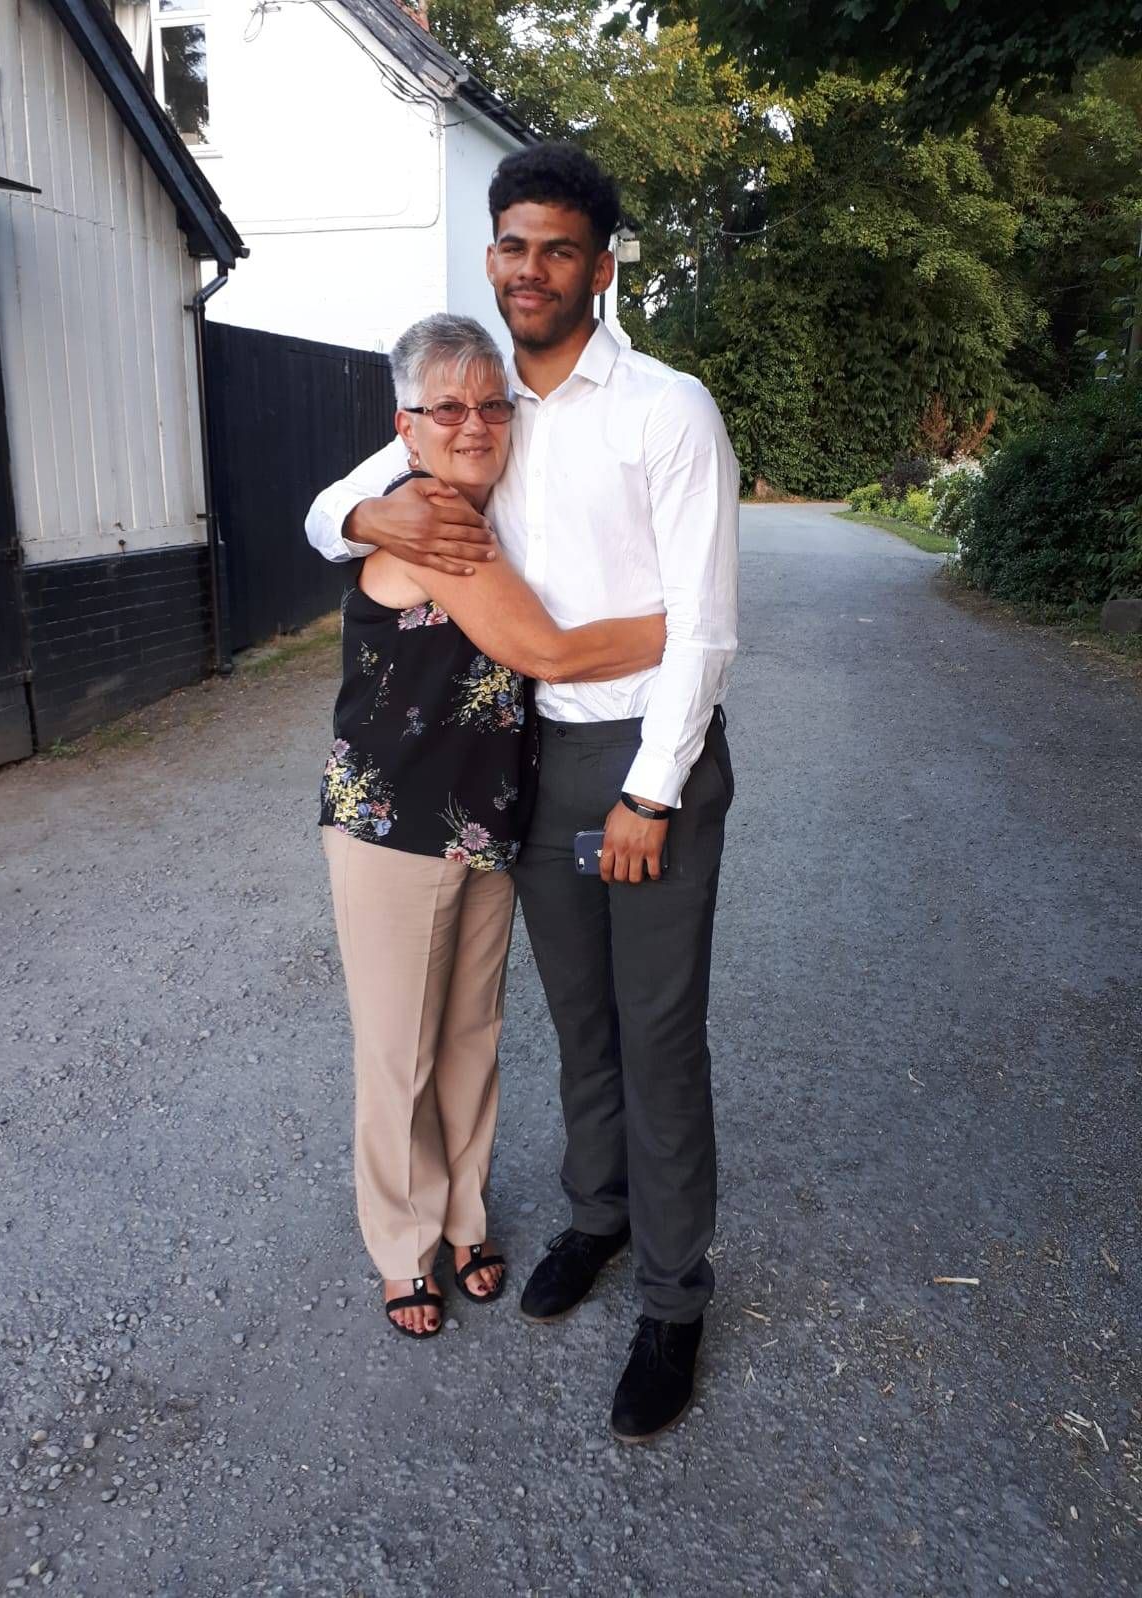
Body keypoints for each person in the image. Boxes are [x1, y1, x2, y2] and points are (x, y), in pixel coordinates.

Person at [307, 143, 739, 1440]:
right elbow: (344, 497)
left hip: (639, 765)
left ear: (602, 267)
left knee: (658, 1042)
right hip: (530, 772)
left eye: (559, 248)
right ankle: (599, 1221)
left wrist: (651, 796)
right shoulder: (483, 400)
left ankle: (674, 1298)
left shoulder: (666, 408)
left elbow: (706, 631)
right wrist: (366, 519)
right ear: (491, 257)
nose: (531, 268)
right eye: (513, 244)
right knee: (580, 1026)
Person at [318, 311, 667, 1340]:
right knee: (399, 1050)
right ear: (408, 426)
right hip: (391, 827)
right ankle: (401, 1241)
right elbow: (546, 650)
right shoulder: (426, 518)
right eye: (447, 408)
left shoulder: (489, 498)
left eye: (489, 404)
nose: (472, 423)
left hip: (485, 824)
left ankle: (464, 1213)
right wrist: (682, 621)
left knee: (471, 1036)